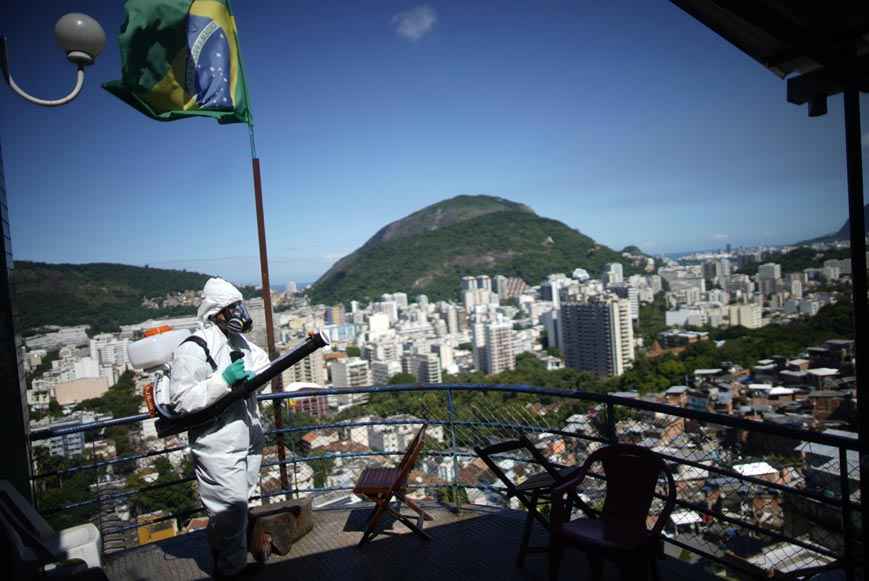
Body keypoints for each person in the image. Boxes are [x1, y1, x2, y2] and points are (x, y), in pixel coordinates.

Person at [168, 277, 270, 577]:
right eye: (232, 307)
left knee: (238, 507)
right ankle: (232, 570)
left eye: (240, 306)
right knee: (231, 511)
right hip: (218, 445)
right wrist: (223, 381)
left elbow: (262, 363)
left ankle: (225, 557)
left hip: (248, 439)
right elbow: (182, 400)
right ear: (216, 312)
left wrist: (251, 375)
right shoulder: (194, 349)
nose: (240, 313)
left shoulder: (239, 343)